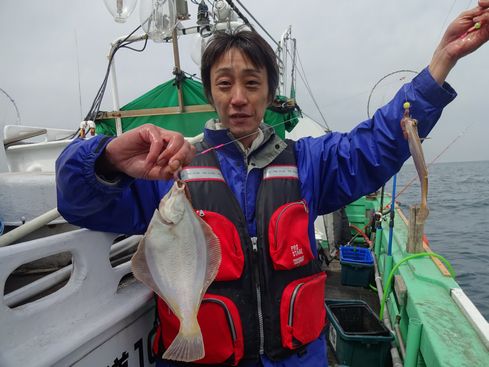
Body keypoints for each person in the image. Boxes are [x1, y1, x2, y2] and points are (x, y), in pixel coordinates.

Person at [56, 3, 489, 366]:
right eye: (224, 84)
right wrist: (108, 157)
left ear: (268, 93)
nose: (238, 97)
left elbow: (375, 144)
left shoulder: (309, 164)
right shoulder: (169, 171)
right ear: (211, 93)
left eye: (252, 83)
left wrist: (440, 64)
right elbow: (78, 202)